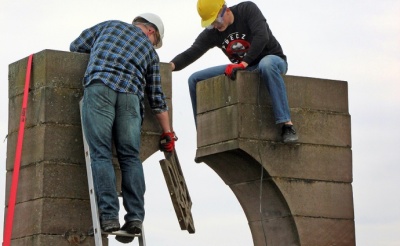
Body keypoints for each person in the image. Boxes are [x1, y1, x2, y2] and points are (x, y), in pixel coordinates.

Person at [70, 13, 177, 243]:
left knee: (100, 154)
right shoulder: (150, 52)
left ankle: (109, 217)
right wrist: (168, 132)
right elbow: (157, 99)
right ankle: (135, 217)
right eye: (155, 40)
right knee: (130, 157)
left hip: (100, 89)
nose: (153, 44)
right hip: (130, 98)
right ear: (151, 31)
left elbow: (76, 46)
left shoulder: (109, 26)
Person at [170, 0, 298, 143]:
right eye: (211, 23)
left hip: (273, 61)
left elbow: (262, 36)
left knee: (266, 65)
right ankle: (203, 134)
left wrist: (244, 63)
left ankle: (287, 125)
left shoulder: (247, 10)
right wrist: (170, 66)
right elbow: (192, 52)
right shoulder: (214, 32)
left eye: (217, 20)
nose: (216, 25)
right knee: (194, 79)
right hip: (245, 68)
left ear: (226, 10)